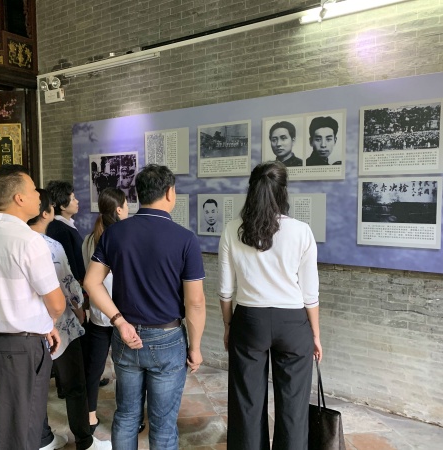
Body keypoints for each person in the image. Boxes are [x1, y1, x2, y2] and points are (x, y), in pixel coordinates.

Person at [84, 164, 206, 450]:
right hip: (167, 338)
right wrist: (196, 347)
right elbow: (195, 301)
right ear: (170, 192)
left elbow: (91, 282)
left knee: (126, 416)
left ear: (139, 194)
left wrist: (118, 321)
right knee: (163, 424)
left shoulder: (115, 233)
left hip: (126, 337)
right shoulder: (185, 239)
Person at [218, 161, 322, 449]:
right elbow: (310, 294)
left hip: (249, 321)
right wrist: (315, 335)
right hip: (293, 324)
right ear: (283, 191)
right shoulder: (301, 231)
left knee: (246, 403)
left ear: (252, 190)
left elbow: (225, 292)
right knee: (294, 406)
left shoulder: (232, 229)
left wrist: (228, 326)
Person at [0, 164, 65, 450]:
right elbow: (56, 303)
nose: (39, 195)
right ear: (19, 198)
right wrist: (48, 322)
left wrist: (43, 325)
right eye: (34, 189)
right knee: (21, 431)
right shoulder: (29, 241)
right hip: (19, 350)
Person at [28, 188, 111, 450]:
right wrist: (79, 307)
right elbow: (68, 284)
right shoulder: (50, 245)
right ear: (46, 212)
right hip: (59, 325)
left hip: (28, 328)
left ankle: (43, 438)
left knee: (36, 387)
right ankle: (84, 440)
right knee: (75, 384)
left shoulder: (13, 242)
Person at [81, 188, 131, 433]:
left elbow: (88, 277)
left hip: (99, 314)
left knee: (94, 367)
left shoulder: (89, 239)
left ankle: (89, 416)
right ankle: (129, 417)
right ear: (119, 209)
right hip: (123, 314)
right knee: (127, 370)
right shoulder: (125, 237)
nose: (129, 208)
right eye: (126, 204)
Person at [46, 181, 86, 284]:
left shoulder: (66, 225)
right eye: (73, 199)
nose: (77, 201)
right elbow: (68, 261)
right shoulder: (60, 229)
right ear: (63, 206)